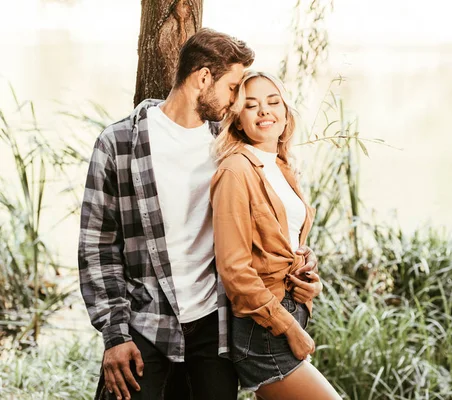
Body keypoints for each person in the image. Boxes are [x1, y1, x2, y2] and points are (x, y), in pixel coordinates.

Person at [78, 28, 320, 400]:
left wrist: (301, 268)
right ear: (203, 78)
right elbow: (98, 248)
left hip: (216, 325)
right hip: (148, 322)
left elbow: (264, 228)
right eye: (233, 87)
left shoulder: (226, 143)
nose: (237, 101)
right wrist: (115, 335)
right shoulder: (120, 144)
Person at [211, 70, 341, 399]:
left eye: (273, 102)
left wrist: (307, 267)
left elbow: (283, 241)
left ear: (285, 113)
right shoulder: (235, 171)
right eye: (251, 105)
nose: (265, 111)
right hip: (264, 329)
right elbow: (234, 269)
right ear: (238, 120)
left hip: (287, 311)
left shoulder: (280, 166)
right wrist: (290, 328)